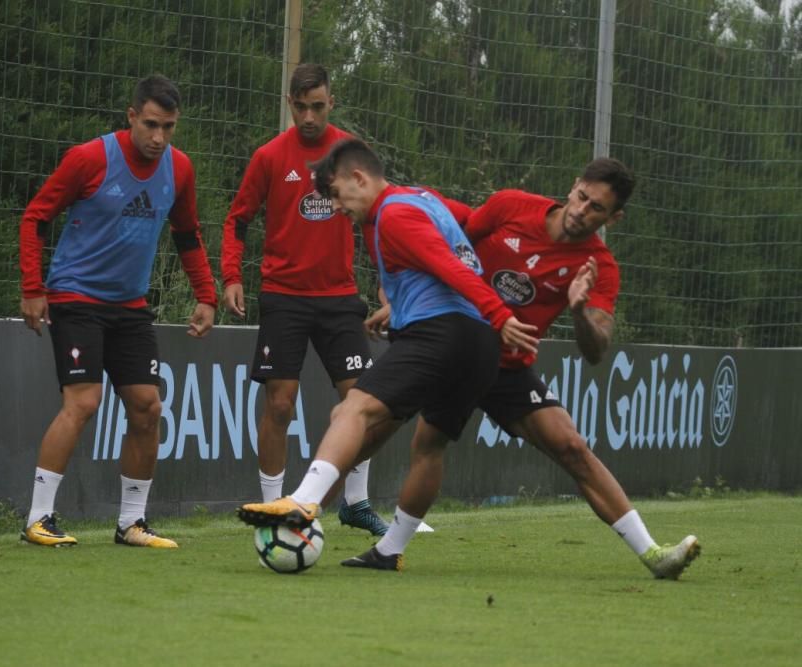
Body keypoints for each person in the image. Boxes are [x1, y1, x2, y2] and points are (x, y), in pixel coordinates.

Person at [364, 157, 701, 579]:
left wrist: (578, 310)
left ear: (614, 218)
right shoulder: (509, 207)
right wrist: (399, 303)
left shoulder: (600, 267)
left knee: (572, 447)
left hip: (507, 365)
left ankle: (654, 555)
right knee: (409, 438)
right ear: (573, 185)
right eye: (582, 197)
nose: (581, 210)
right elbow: (443, 253)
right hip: (457, 345)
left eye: (596, 208)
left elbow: (597, 350)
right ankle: (368, 540)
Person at [236, 139, 540, 570]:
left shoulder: (393, 215)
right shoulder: (425, 198)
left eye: (339, 196)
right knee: (427, 444)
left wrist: (500, 311)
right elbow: (471, 231)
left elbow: (447, 266)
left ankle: (301, 503)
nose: (338, 209)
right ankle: (389, 550)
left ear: (359, 178)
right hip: (478, 342)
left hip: (443, 332)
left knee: (352, 411)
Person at [18, 74, 217, 548]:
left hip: (130, 306)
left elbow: (187, 235)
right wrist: (32, 287)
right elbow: (35, 217)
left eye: (168, 127)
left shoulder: (180, 169)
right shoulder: (88, 158)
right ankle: (37, 518)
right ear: (131, 116)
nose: (158, 137)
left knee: (148, 408)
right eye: (150, 124)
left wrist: (206, 295)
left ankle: (131, 523)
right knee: (84, 402)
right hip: (76, 298)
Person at [221, 64, 395, 535]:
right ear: (289, 104)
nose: (309, 116)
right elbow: (238, 220)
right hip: (284, 297)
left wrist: (388, 285)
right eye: (301, 107)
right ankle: (271, 511)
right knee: (280, 405)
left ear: (330, 103)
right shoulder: (270, 157)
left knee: (365, 403)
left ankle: (355, 503)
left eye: (318, 106)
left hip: (340, 299)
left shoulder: (351, 153)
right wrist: (231, 276)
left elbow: (377, 219)